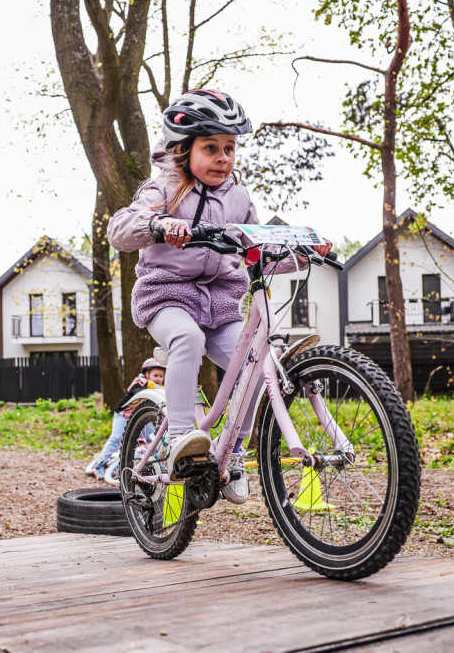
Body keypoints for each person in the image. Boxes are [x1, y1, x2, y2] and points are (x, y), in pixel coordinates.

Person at [107, 89, 331, 505]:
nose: (223, 158)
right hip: (166, 296)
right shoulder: (165, 189)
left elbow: (256, 249)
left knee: (253, 367)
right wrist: (158, 225)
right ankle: (178, 440)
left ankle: (233, 453)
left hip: (222, 305)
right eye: (211, 148)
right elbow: (121, 229)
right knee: (187, 338)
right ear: (183, 149)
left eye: (229, 148)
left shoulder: (240, 199)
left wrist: (299, 254)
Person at [85, 358, 165, 482]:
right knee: (116, 438)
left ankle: (154, 466)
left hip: (141, 417)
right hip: (124, 414)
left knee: (152, 439)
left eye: (161, 376)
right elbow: (138, 393)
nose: (158, 378)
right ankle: (98, 464)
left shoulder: (160, 387)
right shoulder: (141, 381)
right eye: (155, 375)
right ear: (147, 374)